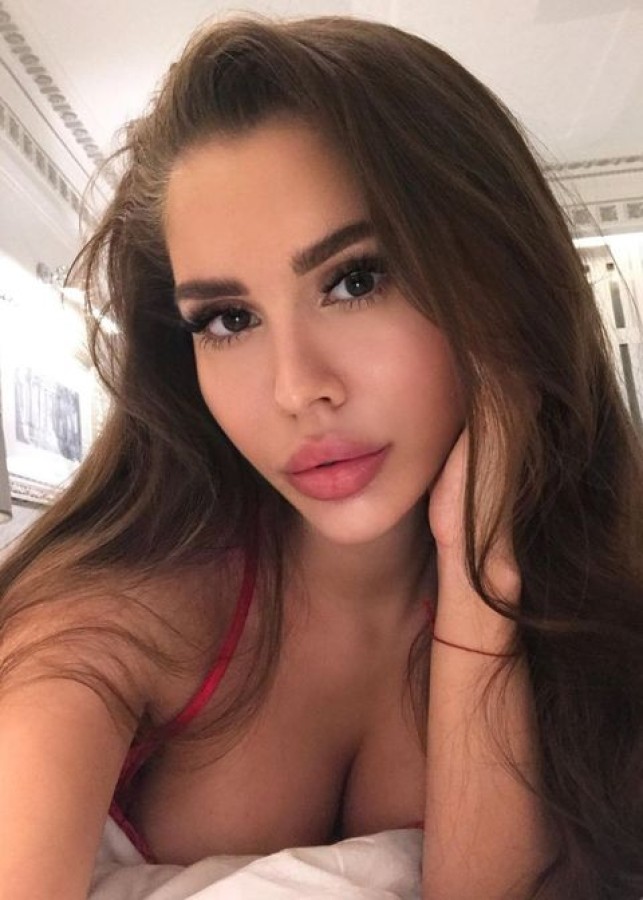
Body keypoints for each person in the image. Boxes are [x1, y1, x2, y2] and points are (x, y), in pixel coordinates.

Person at [0, 14, 641, 900]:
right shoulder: (108, 620)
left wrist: (480, 568)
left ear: (496, 281)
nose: (297, 388)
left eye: (355, 279)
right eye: (228, 319)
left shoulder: (590, 606)